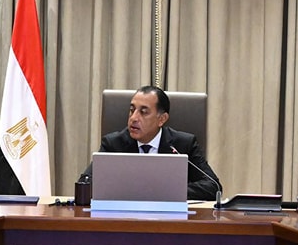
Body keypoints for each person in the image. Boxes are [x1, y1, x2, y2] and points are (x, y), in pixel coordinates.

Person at [84, 86, 221, 202]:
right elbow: (85, 183)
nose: (134, 118)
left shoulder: (183, 145)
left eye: (143, 112)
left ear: (162, 119)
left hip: (170, 219)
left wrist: (166, 192)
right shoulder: (113, 144)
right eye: (132, 110)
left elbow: (213, 186)